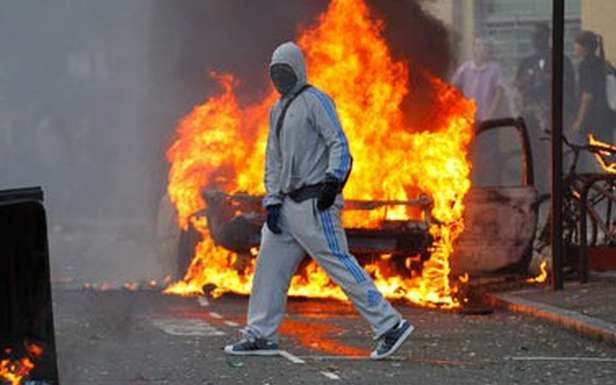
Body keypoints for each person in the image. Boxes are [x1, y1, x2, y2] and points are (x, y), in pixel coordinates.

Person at [224, 42, 413, 360]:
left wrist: (332, 182)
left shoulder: (316, 100)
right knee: (268, 269)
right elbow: (273, 158)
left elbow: (339, 143)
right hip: (285, 207)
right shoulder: (277, 109)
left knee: (340, 264)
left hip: (315, 203)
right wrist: (271, 200)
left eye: (284, 70)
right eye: (275, 71)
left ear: (298, 70)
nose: (279, 77)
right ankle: (260, 335)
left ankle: (390, 325)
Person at [516, 23, 576, 193]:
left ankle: (557, 188)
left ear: (547, 37)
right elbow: (518, 86)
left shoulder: (561, 60)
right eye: (535, 37)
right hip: (532, 115)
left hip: (555, 114)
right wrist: (530, 82)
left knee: (555, 152)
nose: (537, 40)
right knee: (533, 152)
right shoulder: (527, 62)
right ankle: (537, 187)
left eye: (540, 36)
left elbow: (569, 87)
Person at [571, 31, 613, 145]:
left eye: (577, 44)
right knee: (606, 151)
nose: (575, 47)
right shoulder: (603, 64)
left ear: (586, 47)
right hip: (607, 117)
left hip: (592, 120)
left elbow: (587, 96)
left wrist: (579, 122)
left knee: (588, 153)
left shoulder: (586, 66)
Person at [452, 37, 506, 123]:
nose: (482, 49)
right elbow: (454, 89)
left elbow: (499, 94)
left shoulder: (495, 69)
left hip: (488, 119)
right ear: (473, 48)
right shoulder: (465, 68)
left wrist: (490, 115)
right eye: (478, 45)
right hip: (468, 119)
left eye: (485, 46)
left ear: (489, 49)